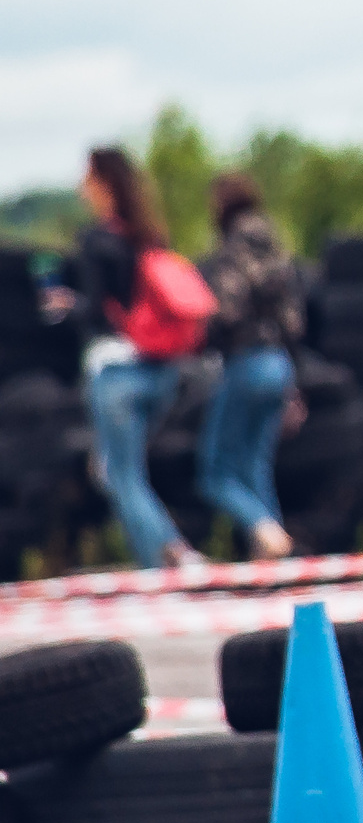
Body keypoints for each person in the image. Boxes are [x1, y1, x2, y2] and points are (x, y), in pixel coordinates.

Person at [53, 147, 198, 568]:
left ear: (102, 182)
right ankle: (160, 563)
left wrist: (68, 304)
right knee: (120, 472)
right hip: (162, 371)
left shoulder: (96, 240)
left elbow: (98, 311)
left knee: (120, 475)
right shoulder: (148, 236)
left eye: (87, 177)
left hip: (116, 371)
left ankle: (170, 551)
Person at [196, 172, 301, 560]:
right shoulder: (277, 250)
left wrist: (203, 335)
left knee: (216, 473)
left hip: (246, 363)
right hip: (281, 364)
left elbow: (225, 312)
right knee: (256, 467)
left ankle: (267, 534)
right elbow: (295, 321)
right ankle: (273, 564)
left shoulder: (231, 252)